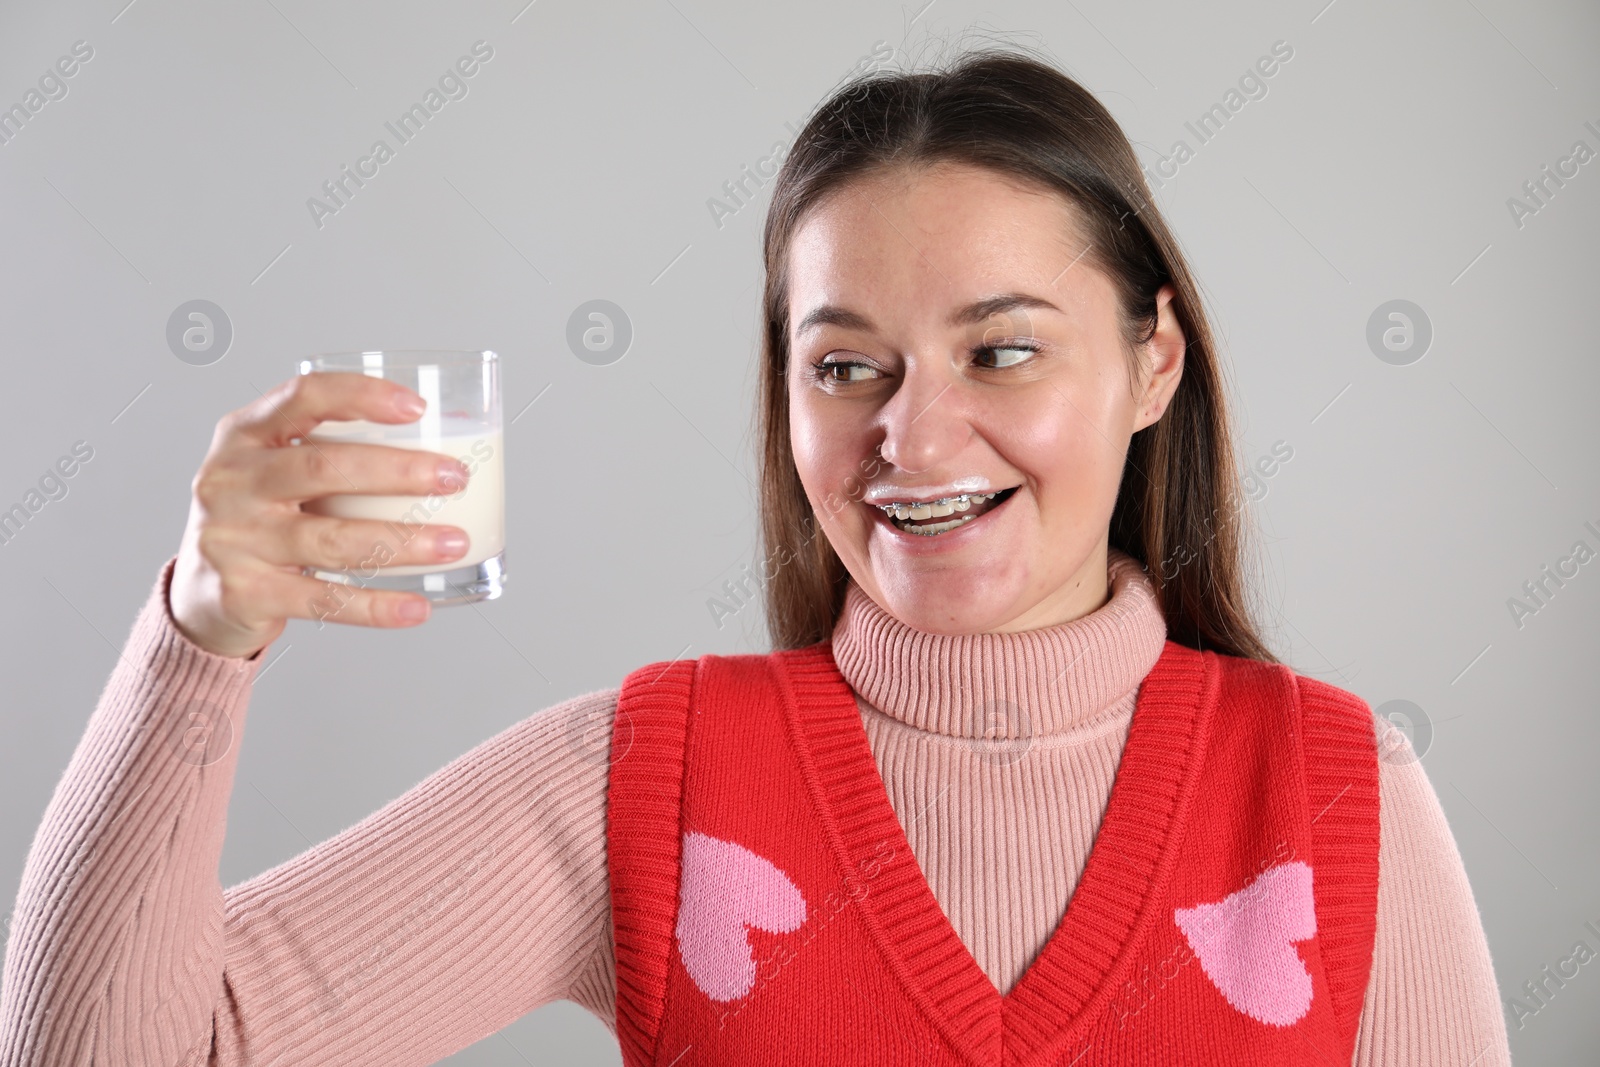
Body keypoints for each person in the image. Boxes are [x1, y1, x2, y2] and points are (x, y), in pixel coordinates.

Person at [0, 45, 1511, 1066]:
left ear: (1154, 363)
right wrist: (202, 637)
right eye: (844, 367)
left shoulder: (1335, 793)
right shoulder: (648, 782)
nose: (914, 442)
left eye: (1001, 351)